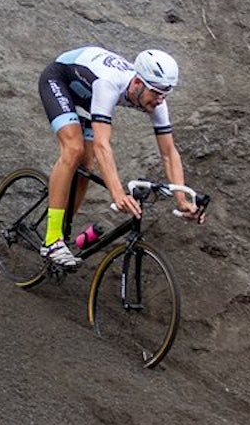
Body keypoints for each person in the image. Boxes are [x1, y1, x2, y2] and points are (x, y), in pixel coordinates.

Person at [37, 45, 199, 268]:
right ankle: (52, 239)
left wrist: (181, 198)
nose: (160, 100)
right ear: (137, 83)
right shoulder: (110, 83)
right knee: (74, 149)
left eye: (165, 94)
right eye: (156, 93)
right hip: (60, 81)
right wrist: (118, 193)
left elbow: (169, 153)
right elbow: (103, 144)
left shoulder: (155, 99)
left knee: (86, 167)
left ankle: (63, 231)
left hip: (88, 97)